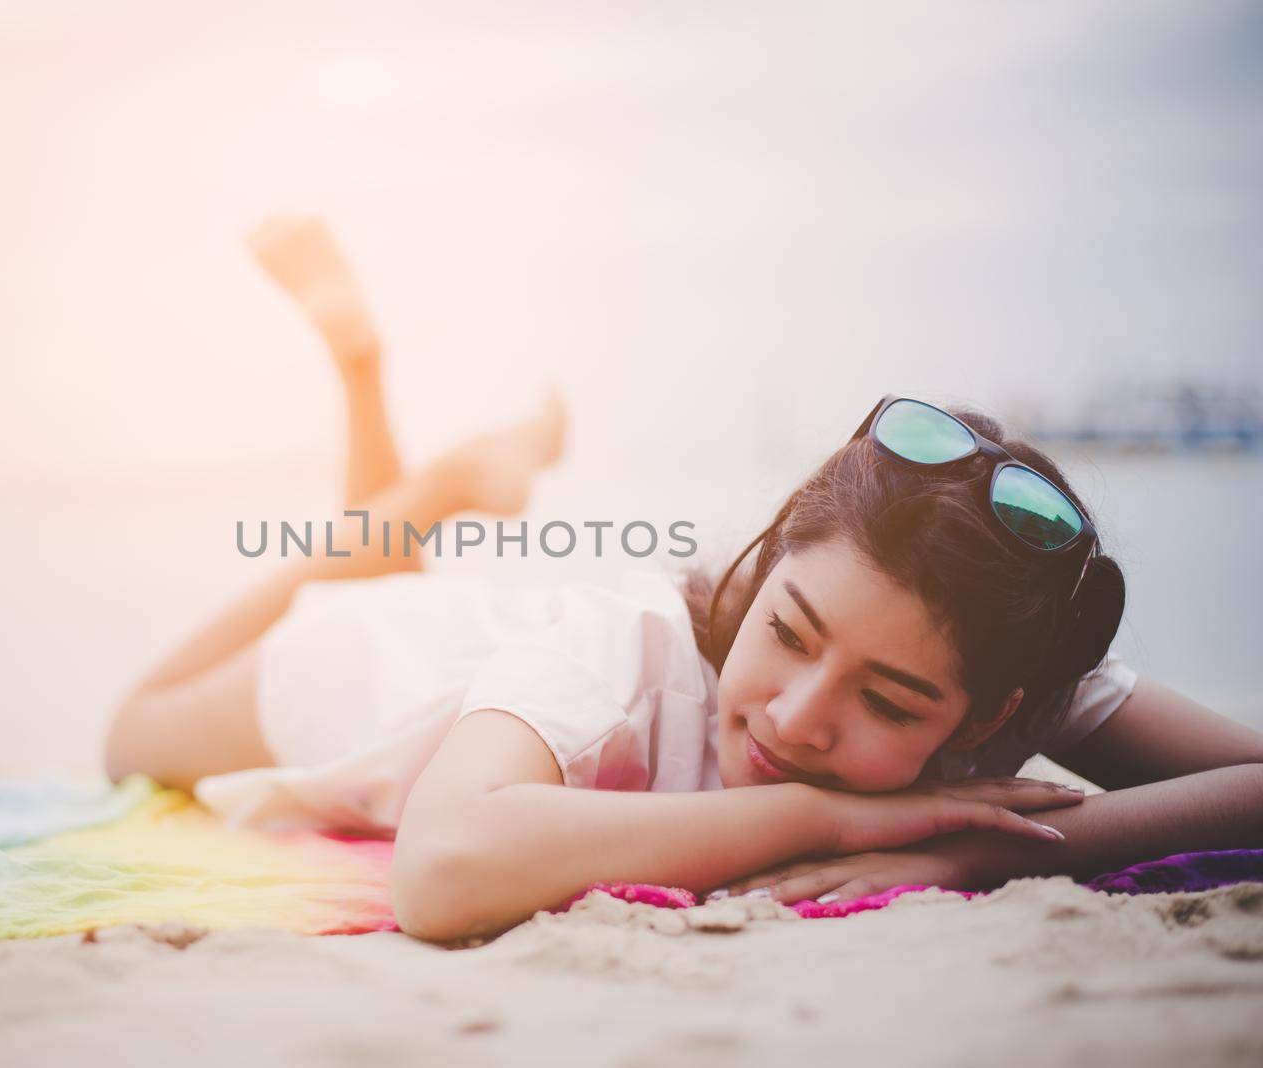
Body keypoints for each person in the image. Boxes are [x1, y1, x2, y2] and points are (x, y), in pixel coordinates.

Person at [103, 216, 1263, 943]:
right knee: (133, 737)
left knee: (389, 576)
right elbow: (443, 872)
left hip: (506, 652)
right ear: (762, 566)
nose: (799, 718)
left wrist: (971, 850)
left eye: (892, 703)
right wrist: (828, 817)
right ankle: (430, 479)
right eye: (791, 632)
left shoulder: (1005, 658)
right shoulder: (622, 647)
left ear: (997, 713)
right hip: (398, 669)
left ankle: (417, 452)